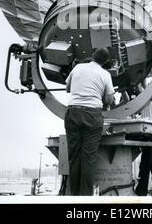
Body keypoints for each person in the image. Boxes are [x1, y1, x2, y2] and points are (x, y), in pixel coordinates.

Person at [64, 47, 115, 196]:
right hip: (92, 116)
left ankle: (74, 197)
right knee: (88, 159)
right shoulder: (105, 74)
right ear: (106, 62)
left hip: (73, 113)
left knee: (74, 157)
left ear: (92, 55)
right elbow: (109, 99)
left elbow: (68, 89)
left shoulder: (79, 67)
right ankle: (85, 198)